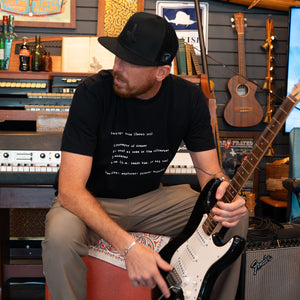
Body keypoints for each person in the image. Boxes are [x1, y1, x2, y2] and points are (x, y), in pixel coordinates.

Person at [42, 12, 248, 300]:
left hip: (152, 201)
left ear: (161, 72)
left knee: (234, 219)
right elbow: (70, 190)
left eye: (130, 62)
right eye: (117, 57)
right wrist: (130, 248)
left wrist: (225, 199)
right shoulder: (92, 93)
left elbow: (209, 174)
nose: (117, 67)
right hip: (91, 201)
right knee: (59, 237)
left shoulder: (189, 99)